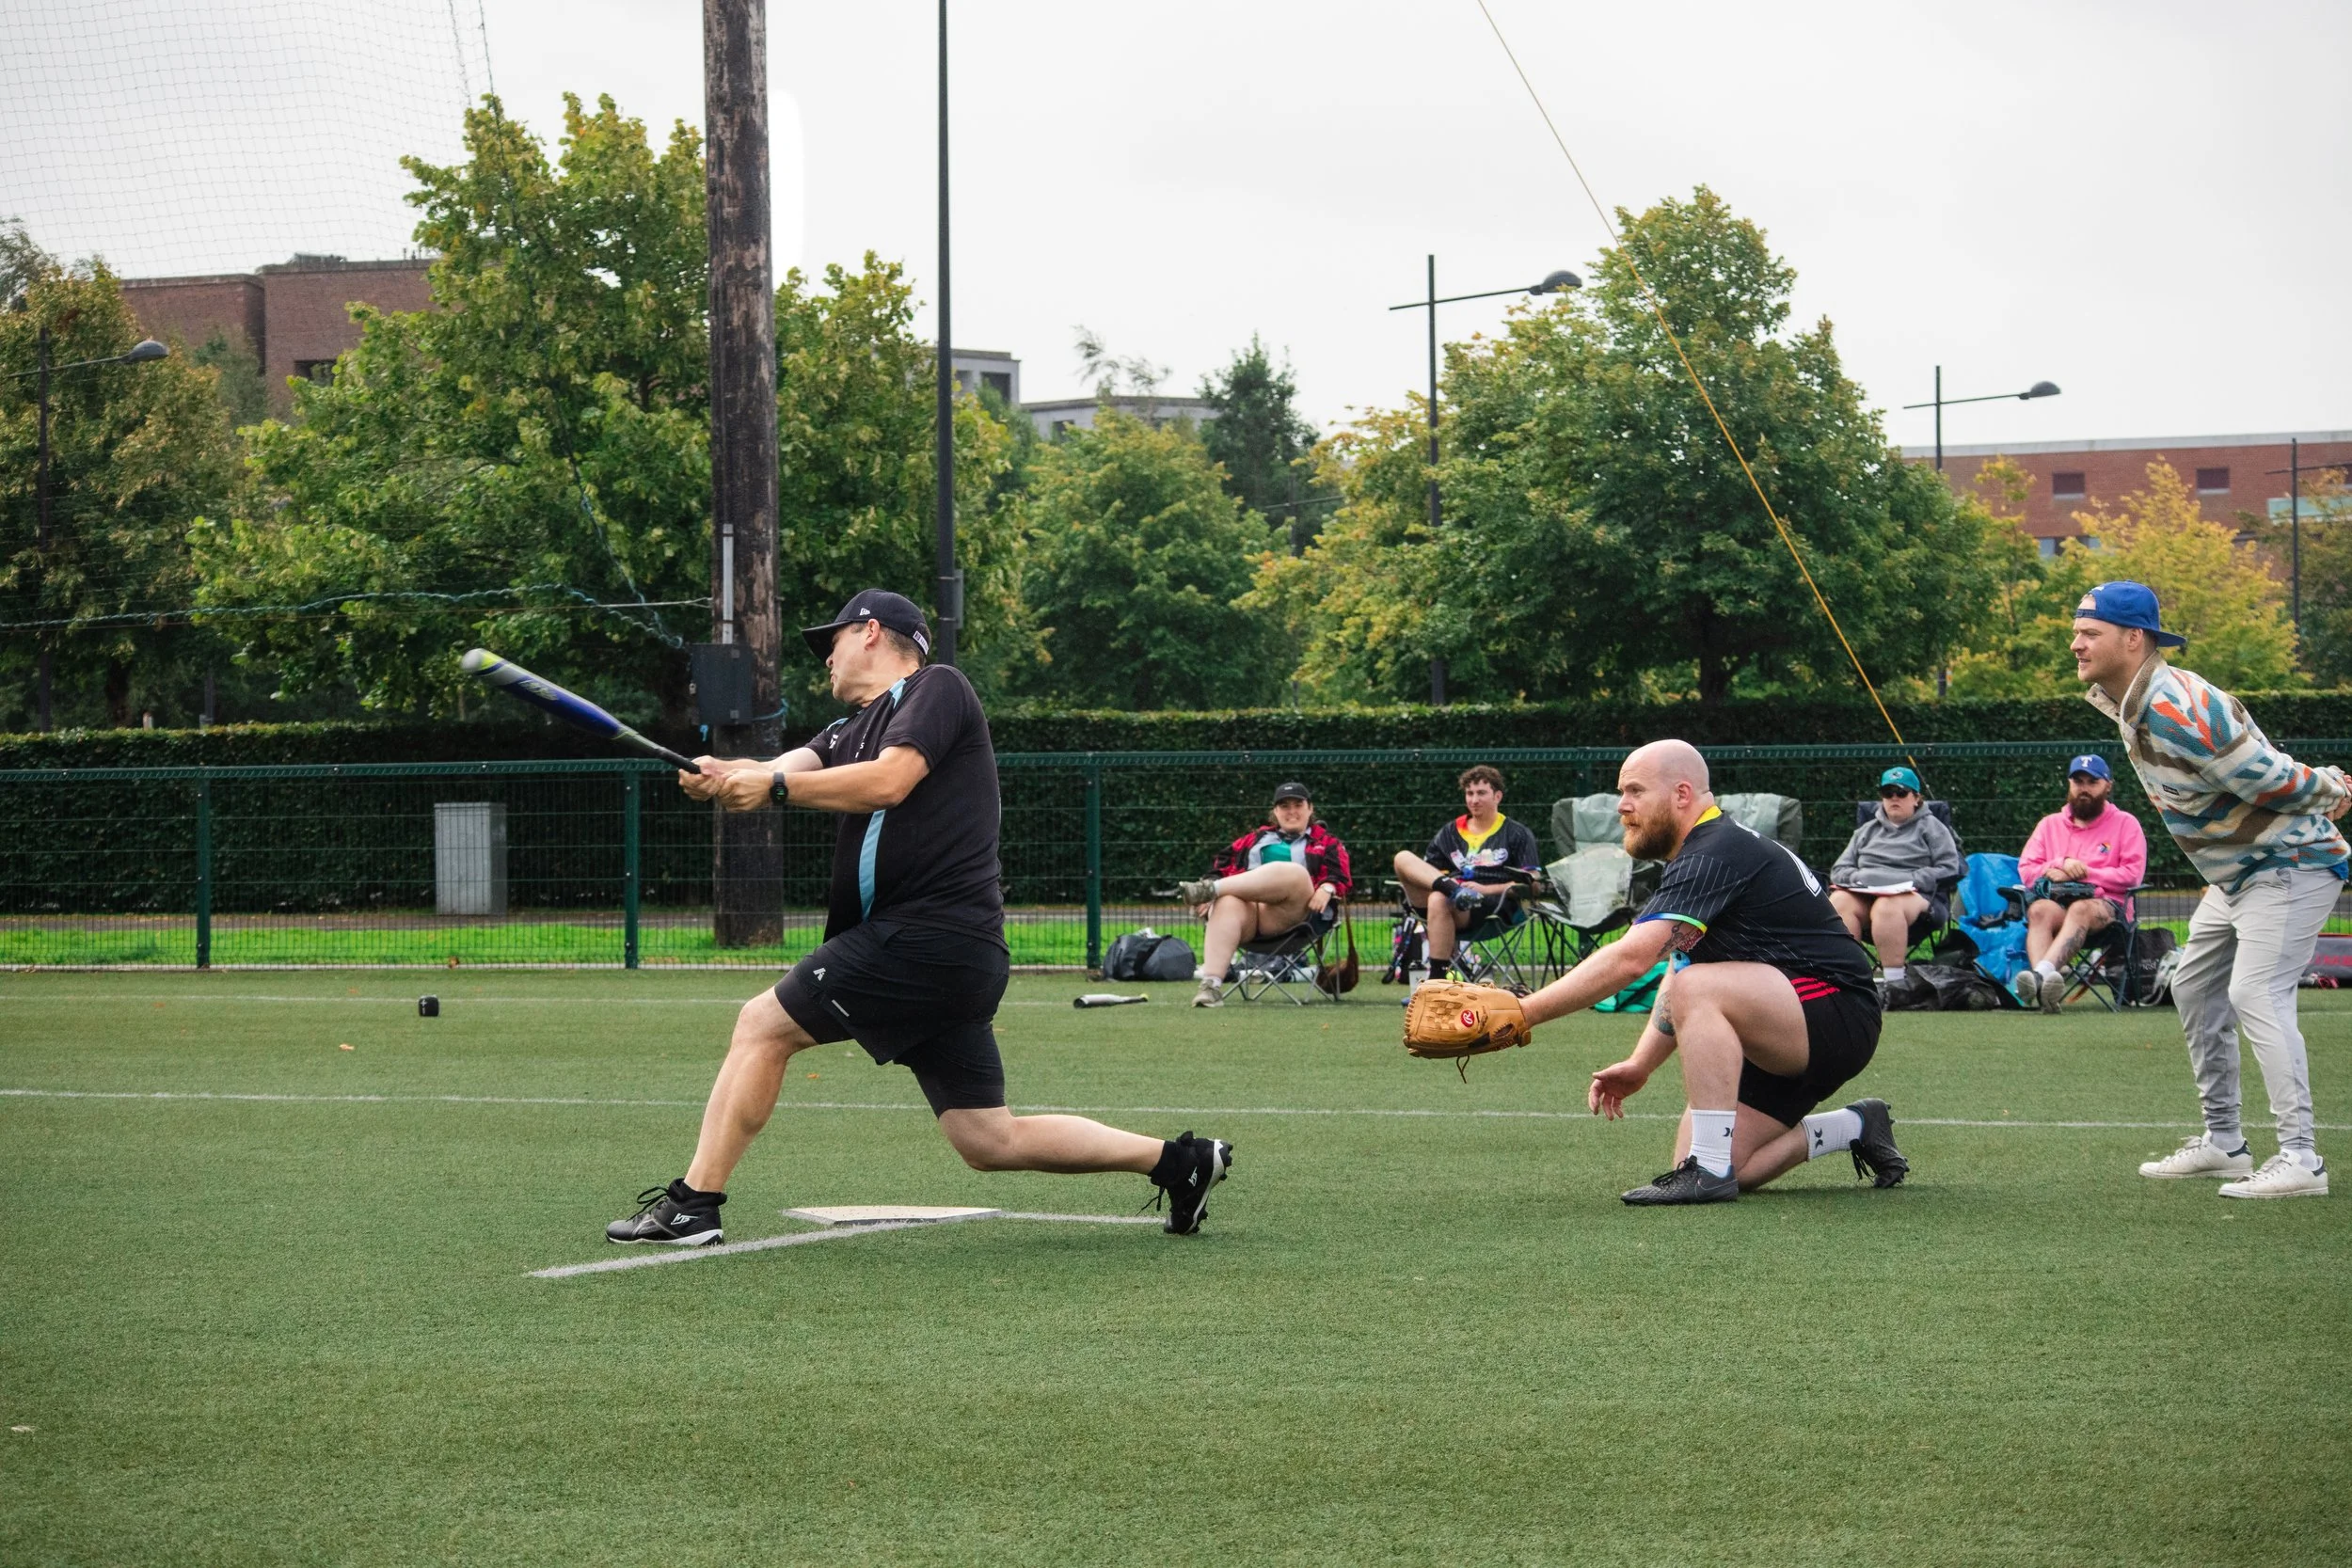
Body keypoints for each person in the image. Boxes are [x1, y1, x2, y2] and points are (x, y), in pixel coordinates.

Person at [606, 589, 1232, 1244]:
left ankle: (694, 1203)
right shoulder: (847, 730)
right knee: (987, 1137)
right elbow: (783, 767)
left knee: (762, 1023)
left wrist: (773, 785)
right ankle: (1180, 1162)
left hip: (925, 935)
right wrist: (726, 772)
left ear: (873, 631)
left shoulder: (937, 688)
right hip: (951, 955)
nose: (826, 659)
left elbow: (889, 781)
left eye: (835, 640)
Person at [1512, 739, 1907, 1205]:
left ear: (1681, 794)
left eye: (1635, 791)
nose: (1622, 806)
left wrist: (1521, 1014)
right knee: (1729, 1164)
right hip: (1786, 1023)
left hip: (1833, 1012)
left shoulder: (1715, 850)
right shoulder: (1706, 850)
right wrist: (1641, 1064)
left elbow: (1633, 958)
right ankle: (1854, 1126)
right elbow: (1679, 964)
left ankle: (1709, 1170)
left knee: (1700, 991)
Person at [2073, 581, 2349, 1198]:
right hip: (2240, 874)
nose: (2076, 643)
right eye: (2078, 631)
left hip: (2289, 862)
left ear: (2134, 637)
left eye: (2090, 632)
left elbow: (2269, 776)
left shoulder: (2172, 704)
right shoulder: (2132, 701)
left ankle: (2302, 1159)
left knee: (2256, 990)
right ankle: (2225, 1143)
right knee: (2194, 983)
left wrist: (2331, 786)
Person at [1169, 782, 1352, 1008]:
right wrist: (1214, 883)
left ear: (1310, 809)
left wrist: (1327, 888)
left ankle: (1210, 890)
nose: (1291, 811)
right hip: (1252, 918)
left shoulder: (1327, 843)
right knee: (1227, 901)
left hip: (1297, 917)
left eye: (1298, 805)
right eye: (1284, 806)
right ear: (1275, 812)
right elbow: (1220, 865)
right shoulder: (1254, 839)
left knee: (1293, 872)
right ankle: (1211, 986)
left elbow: (1341, 876)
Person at [2007, 754, 2148, 1013]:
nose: (2084, 788)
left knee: (2080, 909)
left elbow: (2132, 876)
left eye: (2092, 781)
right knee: (2038, 910)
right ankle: (2045, 988)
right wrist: (2060, 863)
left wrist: (2082, 874)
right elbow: (2026, 870)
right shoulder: (2049, 825)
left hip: (2108, 909)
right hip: (2058, 904)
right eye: (2078, 781)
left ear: (2108, 786)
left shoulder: (2126, 824)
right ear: (2069, 784)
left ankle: (2040, 976)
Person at [1391, 765, 1545, 983]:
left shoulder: (1517, 833)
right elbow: (1429, 870)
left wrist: (1485, 889)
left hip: (1490, 907)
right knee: (1402, 858)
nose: (1474, 800)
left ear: (1497, 796)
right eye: (1469, 793)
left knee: (1438, 898)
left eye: (1481, 793)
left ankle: (1436, 981)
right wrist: (1454, 886)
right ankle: (1454, 890)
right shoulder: (1450, 831)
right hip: (1443, 900)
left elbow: (1534, 884)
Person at [1827, 765, 1962, 999]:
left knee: (1886, 907)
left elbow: (1950, 867)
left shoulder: (1933, 828)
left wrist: (1910, 880)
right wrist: (1860, 879)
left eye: (1901, 793)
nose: (1894, 799)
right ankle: (1848, 980)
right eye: (1888, 793)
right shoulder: (1866, 831)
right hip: (1866, 892)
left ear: (1917, 798)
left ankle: (1895, 986)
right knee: (1839, 900)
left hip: (1915, 898)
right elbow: (1839, 869)